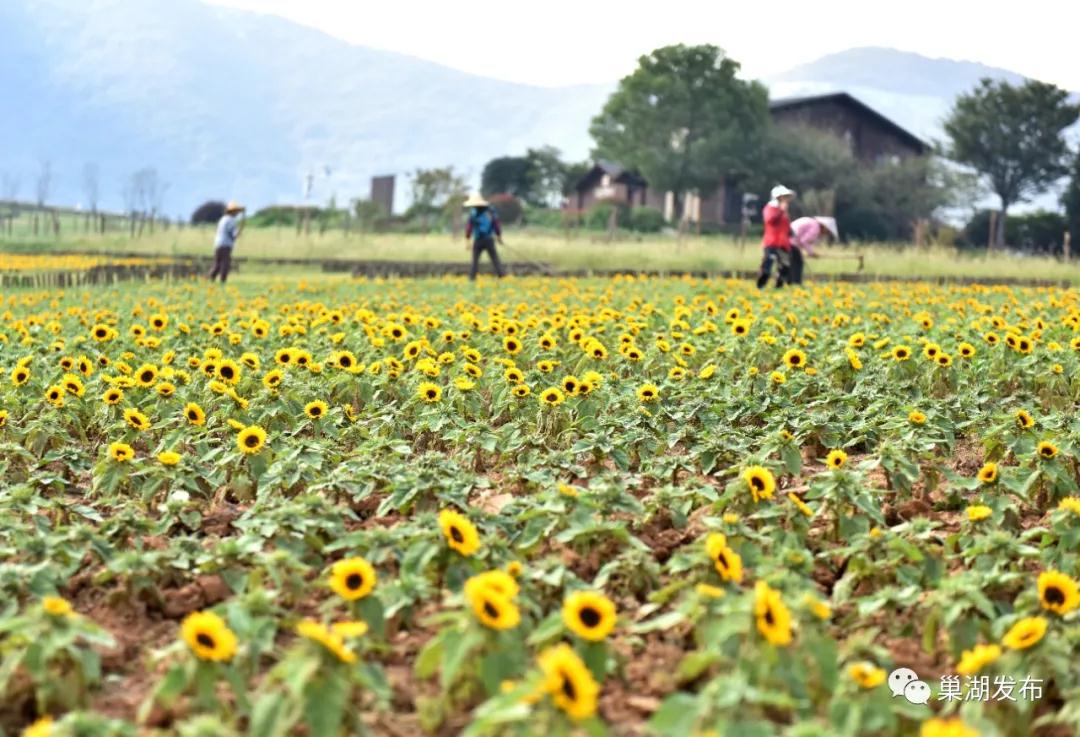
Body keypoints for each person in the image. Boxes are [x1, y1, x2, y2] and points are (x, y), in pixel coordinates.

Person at [757, 185, 795, 289]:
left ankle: (778, 288)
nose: (787, 199)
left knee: (785, 266)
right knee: (767, 266)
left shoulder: (784, 210)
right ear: (778, 197)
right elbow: (770, 220)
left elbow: (786, 227)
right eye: (784, 196)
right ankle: (761, 287)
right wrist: (781, 211)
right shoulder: (770, 208)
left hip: (783, 243)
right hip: (772, 242)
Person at [463, 194, 505, 280]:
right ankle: (501, 276)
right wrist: (499, 236)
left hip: (478, 239)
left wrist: (467, 240)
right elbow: (496, 225)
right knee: (495, 259)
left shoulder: (473, 213)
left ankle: (472, 278)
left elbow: (469, 227)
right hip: (489, 239)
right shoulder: (490, 211)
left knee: (475, 260)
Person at [789, 216, 838, 285]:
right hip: (791, 242)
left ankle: (791, 283)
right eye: (827, 232)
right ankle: (796, 283)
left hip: (789, 241)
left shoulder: (812, 223)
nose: (826, 234)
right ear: (824, 227)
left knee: (792, 263)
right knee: (797, 263)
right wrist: (811, 253)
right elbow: (804, 241)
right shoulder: (815, 228)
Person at [209, 201, 244, 283]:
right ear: (232, 211)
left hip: (218, 244)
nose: (237, 213)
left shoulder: (223, 219)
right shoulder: (231, 220)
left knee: (217, 264)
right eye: (236, 211)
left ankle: (210, 279)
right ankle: (222, 281)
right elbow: (233, 234)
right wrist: (239, 232)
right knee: (225, 263)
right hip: (225, 244)